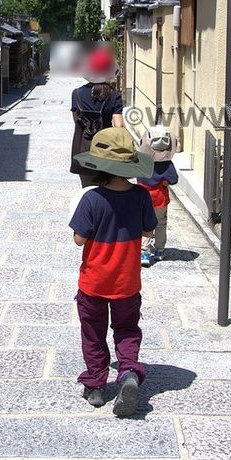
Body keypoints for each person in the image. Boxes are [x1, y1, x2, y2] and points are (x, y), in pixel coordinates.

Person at [69, 127, 157, 417]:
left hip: (94, 282)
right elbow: (148, 230)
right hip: (128, 283)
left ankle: (96, 385)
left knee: (93, 333)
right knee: (127, 329)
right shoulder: (142, 196)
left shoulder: (92, 199)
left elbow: (79, 238)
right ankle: (129, 370)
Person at [70, 46, 124, 187]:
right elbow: (119, 126)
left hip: (82, 146)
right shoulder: (114, 95)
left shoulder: (76, 94)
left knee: (87, 188)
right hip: (106, 148)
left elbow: (76, 121)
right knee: (107, 187)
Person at [136, 125, 179, 267]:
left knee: (145, 224)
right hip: (160, 198)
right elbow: (173, 179)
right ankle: (160, 250)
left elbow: (139, 179)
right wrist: (164, 181)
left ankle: (144, 252)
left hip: (143, 197)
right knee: (161, 224)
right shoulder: (167, 165)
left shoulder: (143, 162)